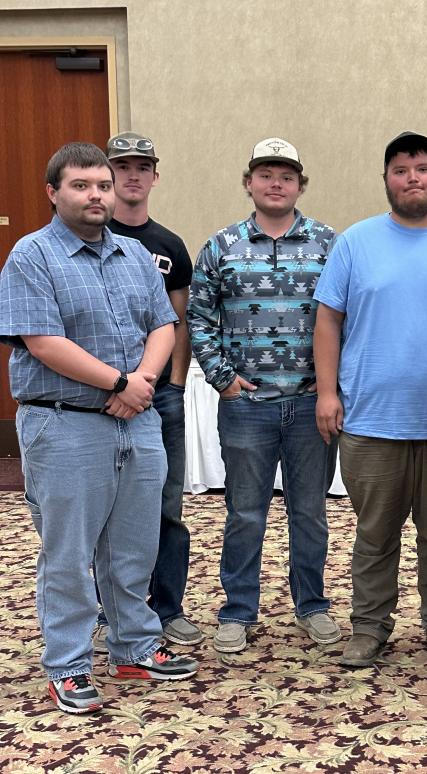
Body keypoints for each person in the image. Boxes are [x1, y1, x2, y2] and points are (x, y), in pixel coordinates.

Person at [0, 143, 198, 715]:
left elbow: (165, 322)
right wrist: (119, 383)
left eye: (103, 186)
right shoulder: (31, 256)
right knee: (68, 552)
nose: (96, 195)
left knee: (135, 544)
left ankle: (134, 646)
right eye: (82, 185)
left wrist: (142, 381)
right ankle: (68, 664)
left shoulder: (136, 255)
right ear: (53, 192)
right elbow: (42, 341)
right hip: (64, 425)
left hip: (136, 420)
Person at [313, 131, 427, 667]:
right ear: (386, 179)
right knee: (374, 535)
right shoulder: (355, 242)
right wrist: (326, 392)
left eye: (423, 168)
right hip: (370, 419)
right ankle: (369, 625)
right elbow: (328, 320)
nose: (413, 178)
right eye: (402, 170)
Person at [188, 137, 340, 653]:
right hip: (245, 406)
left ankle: (313, 605)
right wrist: (221, 377)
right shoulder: (221, 246)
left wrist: (331, 385)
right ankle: (237, 611)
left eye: (287, 176)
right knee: (244, 512)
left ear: (300, 184)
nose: (276, 183)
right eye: (266, 174)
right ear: (249, 181)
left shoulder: (328, 244)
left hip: (308, 405)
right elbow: (199, 317)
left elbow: (345, 316)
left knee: (310, 513)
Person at [90, 131, 201, 650]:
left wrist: (172, 384)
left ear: (155, 176)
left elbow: (178, 320)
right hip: (98, 397)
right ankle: (110, 605)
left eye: (142, 166)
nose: (132, 175)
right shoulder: (88, 233)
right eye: (122, 166)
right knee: (106, 508)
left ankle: (168, 607)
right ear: (108, 176)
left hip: (159, 396)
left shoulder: (169, 245)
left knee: (165, 507)